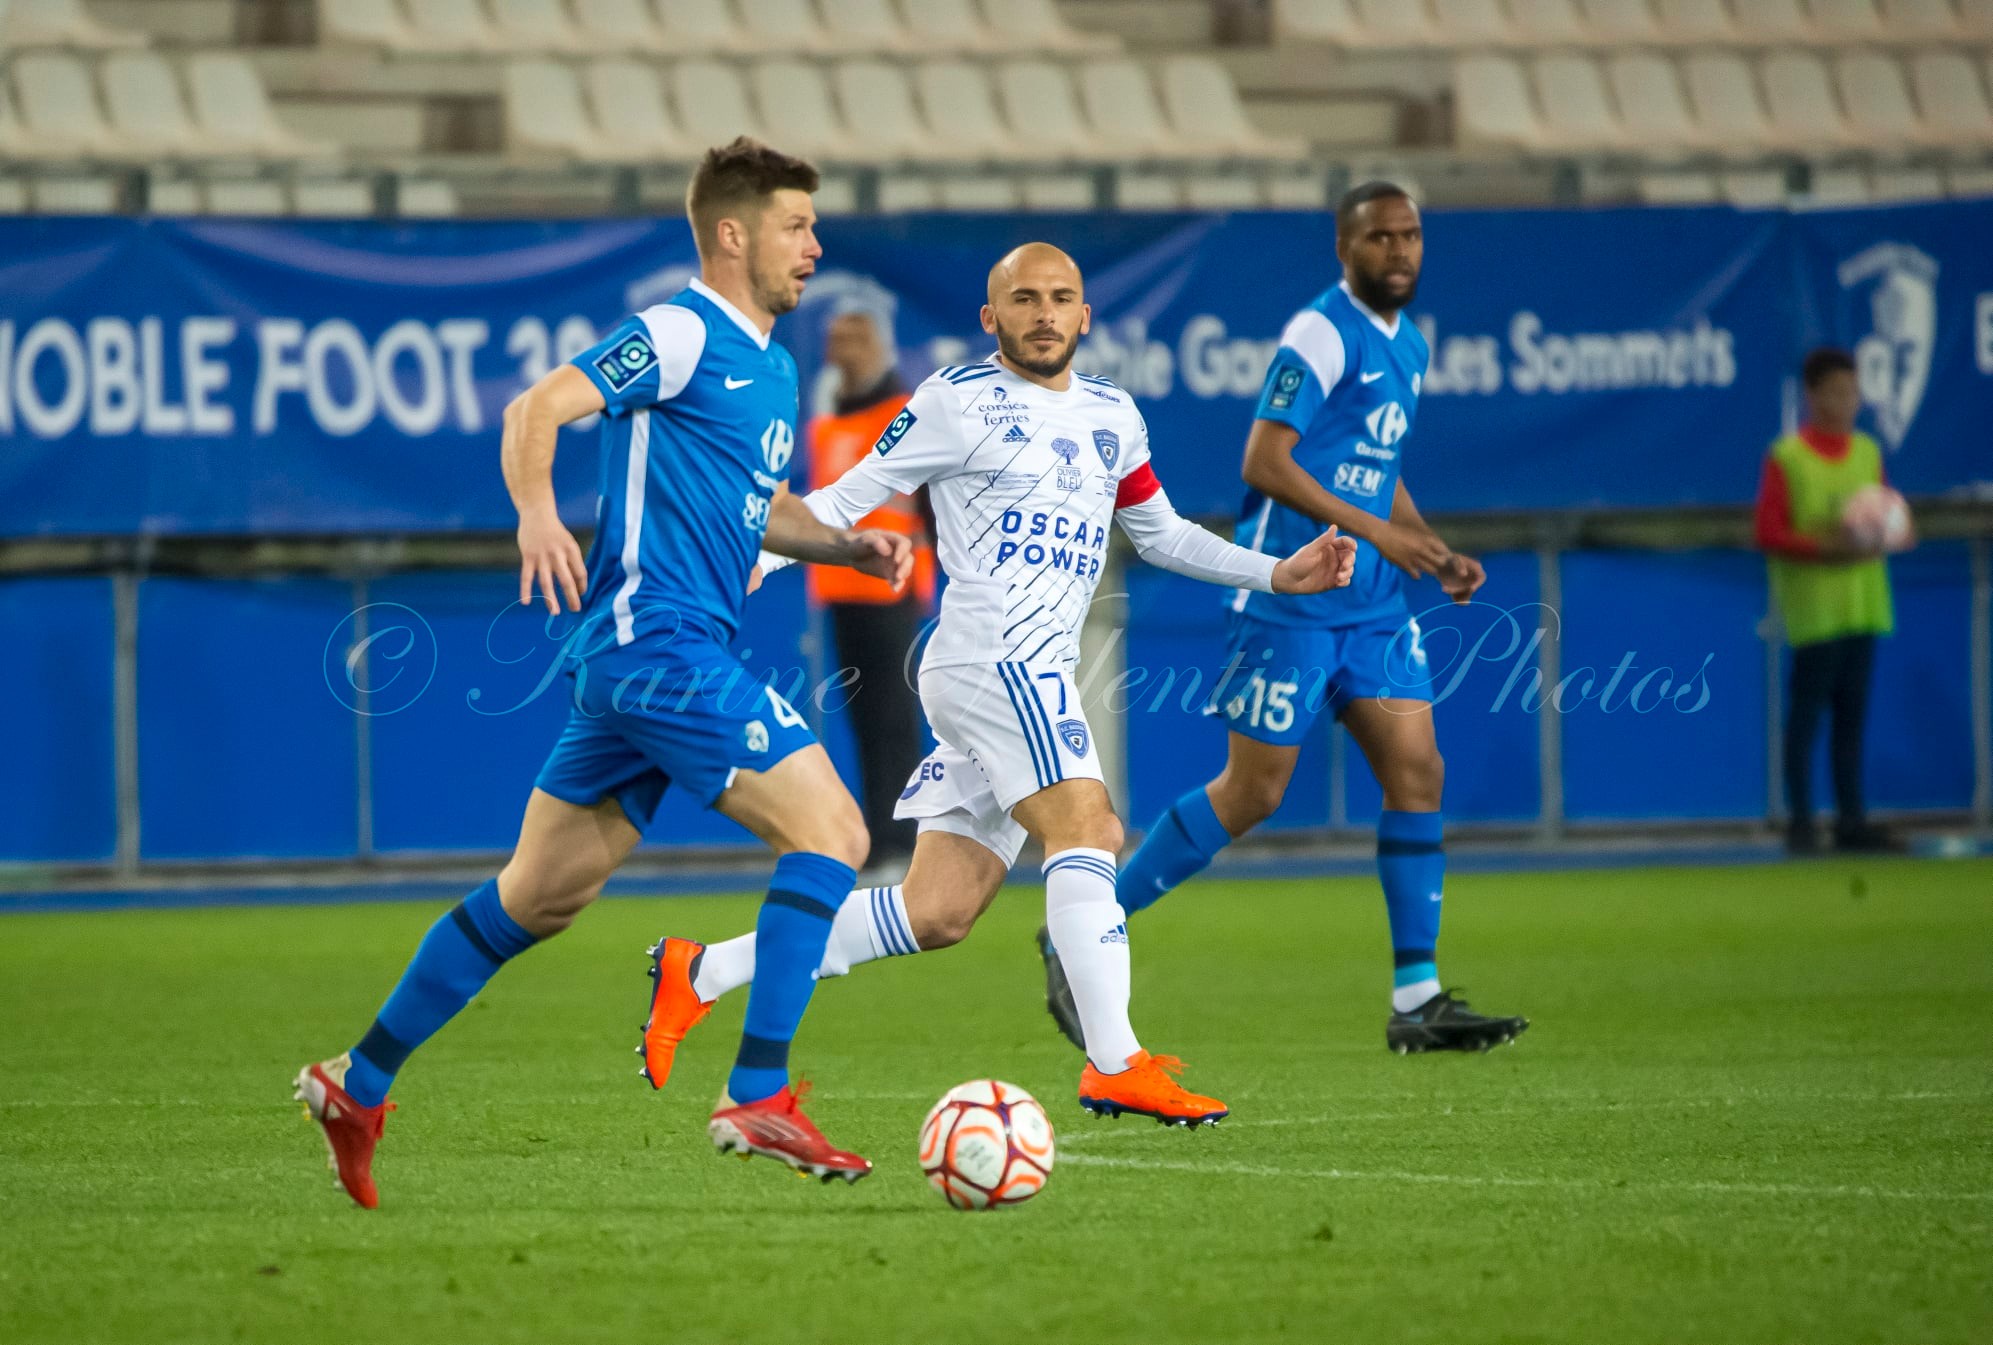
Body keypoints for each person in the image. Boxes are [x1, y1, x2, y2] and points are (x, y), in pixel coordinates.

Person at [293, 138, 914, 1206]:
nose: (815, 246)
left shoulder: (767, 362)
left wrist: (846, 542)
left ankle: (360, 1079)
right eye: (795, 226)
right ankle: (756, 1089)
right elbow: (533, 409)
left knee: (535, 897)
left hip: (648, 660)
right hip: (656, 643)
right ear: (732, 234)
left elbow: (754, 506)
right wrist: (537, 513)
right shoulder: (679, 332)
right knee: (837, 834)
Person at [636, 243, 1358, 1127]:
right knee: (1088, 823)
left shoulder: (1112, 416)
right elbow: (843, 499)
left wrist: (1276, 571)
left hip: (1023, 667)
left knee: (938, 909)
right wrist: (742, 564)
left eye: (1061, 299)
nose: (1044, 313)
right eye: (1023, 299)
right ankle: (1115, 1061)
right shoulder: (954, 401)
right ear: (992, 317)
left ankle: (702, 971)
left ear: (1085, 316)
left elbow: (1162, 532)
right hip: (993, 656)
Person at [1047, 182, 1529, 1057]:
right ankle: (1089, 920)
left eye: (1410, 235)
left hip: (1374, 602)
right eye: (1379, 237)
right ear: (1344, 249)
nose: (1399, 251)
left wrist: (1426, 542)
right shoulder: (1319, 331)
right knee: (1255, 791)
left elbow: (1375, 463)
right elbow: (1264, 459)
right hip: (1294, 593)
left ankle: (1415, 997)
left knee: (1418, 772)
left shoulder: (1409, 343)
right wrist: (1376, 529)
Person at [1755, 347, 1912, 854]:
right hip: (1815, 612)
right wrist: (1826, 545)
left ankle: (1851, 821)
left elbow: (1890, 517)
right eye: (1837, 392)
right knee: (1805, 719)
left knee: (1852, 719)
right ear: (1813, 395)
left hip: (1863, 605)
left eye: (1853, 392)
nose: (1847, 402)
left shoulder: (1867, 452)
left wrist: (1896, 533)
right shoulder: (1788, 457)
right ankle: (1801, 824)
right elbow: (1769, 530)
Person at [807, 310, 935, 869]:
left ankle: (904, 843)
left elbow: (931, 508)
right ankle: (878, 841)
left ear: (876, 346)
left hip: (893, 591)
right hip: (842, 591)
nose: (839, 348)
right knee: (863, 724)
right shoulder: (828, 421)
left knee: (895, 722)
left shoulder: (901, 415)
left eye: (851, 338)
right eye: (834, 338)